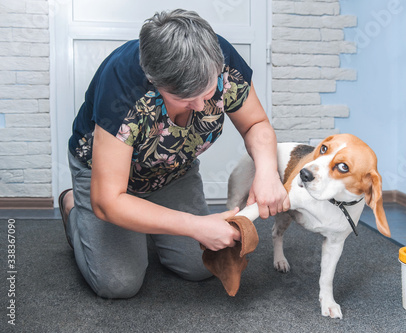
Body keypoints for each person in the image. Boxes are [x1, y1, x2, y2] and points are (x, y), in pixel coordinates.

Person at [58, 9, 289, 299]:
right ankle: (73, 208)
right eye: (183, 98)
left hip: (171, 172)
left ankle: (146, 225)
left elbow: (255, 124)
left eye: (206, 94)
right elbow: (108, 201)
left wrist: (266, 172)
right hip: (109, 183)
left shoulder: (221, 59)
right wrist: (194, 225)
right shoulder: (122, 84)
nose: (199, 107)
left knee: (202, 266)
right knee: (118, 283)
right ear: (153, 81)